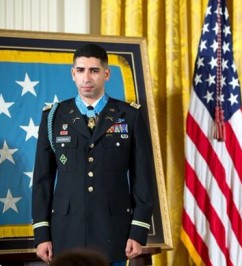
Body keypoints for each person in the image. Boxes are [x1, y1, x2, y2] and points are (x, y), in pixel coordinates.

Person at [32, 44, 154, 264]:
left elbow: (143, 177)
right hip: (66, 231)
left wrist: (138, 230)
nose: (86, 77)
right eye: (80, 70)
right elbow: (43, 178)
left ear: (106, 74)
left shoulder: (129, 116)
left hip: (114, 231)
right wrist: (42, 233)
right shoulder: (54, 116)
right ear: (73, 73)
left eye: (94, 70)